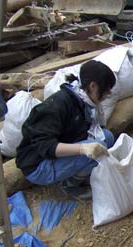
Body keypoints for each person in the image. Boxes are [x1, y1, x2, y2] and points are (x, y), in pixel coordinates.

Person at [16, 60, 116, 198]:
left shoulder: (82, 101)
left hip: (57, 153)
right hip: (39, 166)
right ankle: (67, 185)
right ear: (93, 86)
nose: (105, 97)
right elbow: (45, 146)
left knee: (108, 136)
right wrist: (82, 149)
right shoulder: (58, 105)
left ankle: (79, 173)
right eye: (105, 92)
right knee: (97, 147)